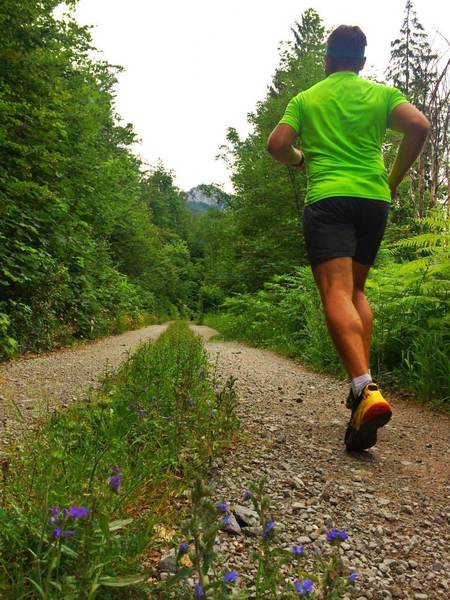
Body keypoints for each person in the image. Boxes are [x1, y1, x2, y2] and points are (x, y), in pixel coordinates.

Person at [267, 25, 430, 451]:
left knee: (336, 290)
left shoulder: (307, 98)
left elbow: (277, 144)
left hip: (328, 199)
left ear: (326, 60)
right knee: (357, 289)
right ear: (360, 61)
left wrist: (300, 159)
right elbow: (419, 126)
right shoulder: (381, 95)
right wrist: (392, 180)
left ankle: (363, 387)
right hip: (373, 201)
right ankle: (364, 386)